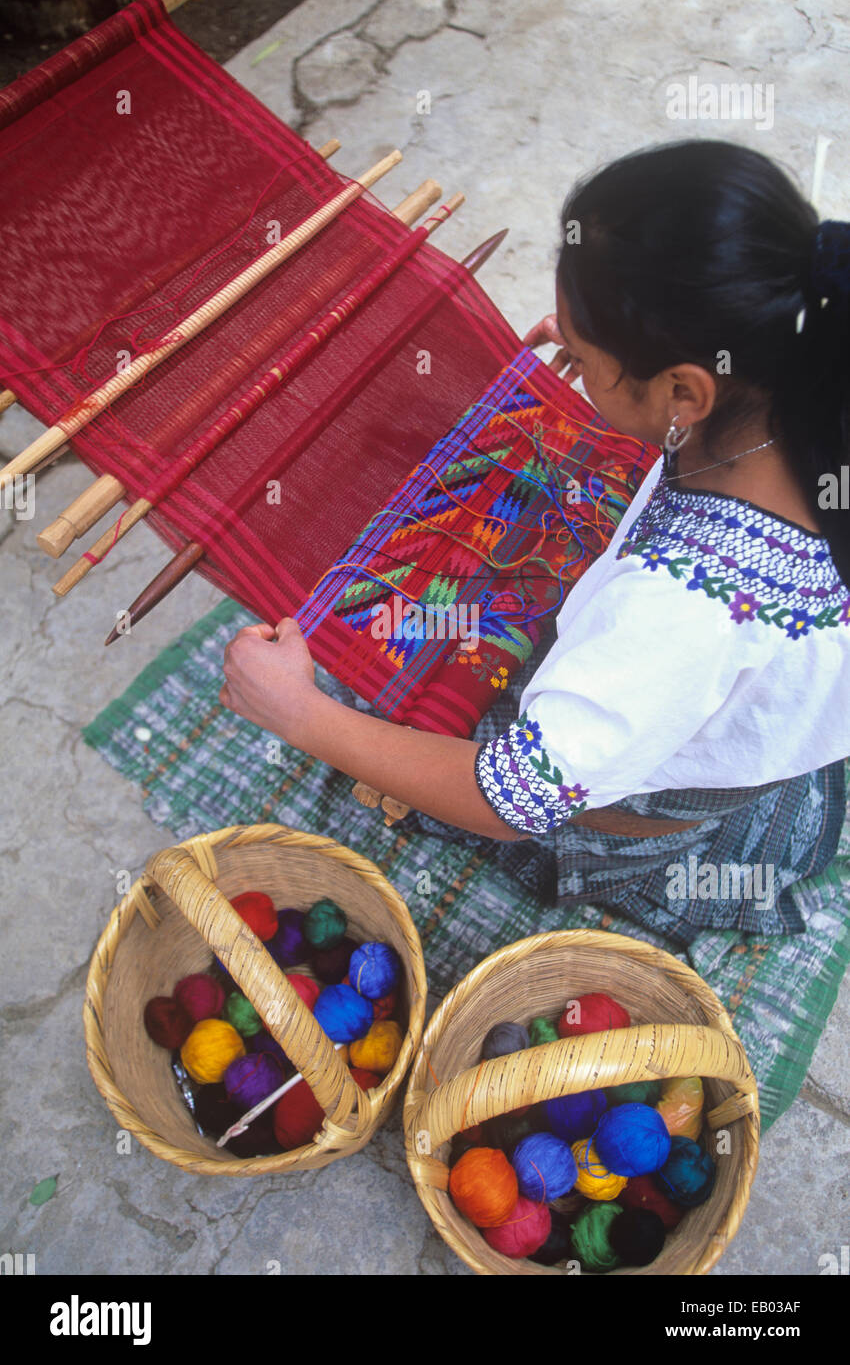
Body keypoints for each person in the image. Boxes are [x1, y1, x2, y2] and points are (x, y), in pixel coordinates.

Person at [219, 140, 850, 942]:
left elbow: (509, 803)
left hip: (639, 816)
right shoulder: (804, 368)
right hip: (729, 721)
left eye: (584, 358)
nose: (571, 367)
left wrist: (300, 713)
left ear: (685, 391)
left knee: (370, 704)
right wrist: (608, 353)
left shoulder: (686, 609)